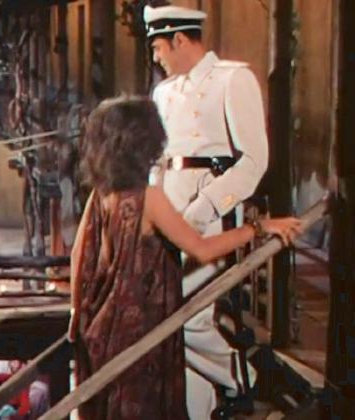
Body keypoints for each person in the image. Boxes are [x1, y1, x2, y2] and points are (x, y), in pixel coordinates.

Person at [68, 96, 301, 420]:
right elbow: (201, 248)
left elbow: (79, 257)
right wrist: (259, 228)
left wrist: (77, 315)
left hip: (103, 328)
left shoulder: (101, 195)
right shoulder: (149, 199)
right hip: (141, 332)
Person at [143, 4, 269, 417]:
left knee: (188, 317)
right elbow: (157, 160)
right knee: (165, 310)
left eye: (159, 48)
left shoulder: (233, 79)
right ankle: (202, 408)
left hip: (212, 212)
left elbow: (254, 162)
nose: (156, 58)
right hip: (168, 209)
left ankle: (243, 379)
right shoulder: (164, 92)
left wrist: (205, 207)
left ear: (180, 39)